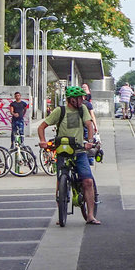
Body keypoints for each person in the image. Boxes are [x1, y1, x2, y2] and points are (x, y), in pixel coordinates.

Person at [39, 86, 101, 225]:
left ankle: (90, 215)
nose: (81, 100)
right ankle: (61, 210)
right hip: (63, 152)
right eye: (79, 98)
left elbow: (89, 125)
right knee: (60, 182)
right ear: (71, 99)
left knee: (88, 181)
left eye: (82, 97)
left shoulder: (82, 109)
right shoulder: (59, 111)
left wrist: (89, 142)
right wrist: (43, 141)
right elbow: (41, 127)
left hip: (79, 152)